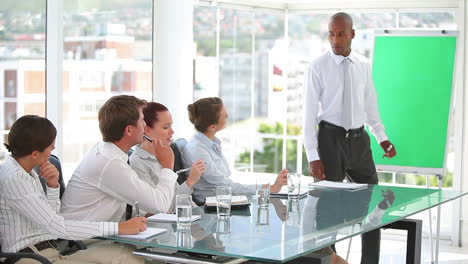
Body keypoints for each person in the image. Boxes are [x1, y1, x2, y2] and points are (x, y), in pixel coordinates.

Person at [303, 12, 397, 264]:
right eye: (331, 34)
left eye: (341, 33)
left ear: (352, 34)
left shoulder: (363, 64)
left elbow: (370, 105)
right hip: (329, 141)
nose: (335, 39)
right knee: (327, 211)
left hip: (359, 141)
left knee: (375, 206)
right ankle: (329, 262)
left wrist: (382, 137)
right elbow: (309, 115)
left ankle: (370, 262)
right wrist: (313, 156)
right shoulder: (317, 66)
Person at [0, 115, 147, 263]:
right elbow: (56, 225)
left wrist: (52, 185)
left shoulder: (28, 171)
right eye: (50, 144)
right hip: (28, 258)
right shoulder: (14, 178)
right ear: (35, 154)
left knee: (128, 253)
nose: (53, 148)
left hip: (51, 252)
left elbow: (51, 218)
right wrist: (118, 228)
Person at [61, 95, 178, 221]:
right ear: (129, 130)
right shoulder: (111, 163)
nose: (145, 126)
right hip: (85, 239)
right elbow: (160, 205)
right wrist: (167, 166)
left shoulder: (108, 153)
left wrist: (144, 214)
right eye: (142, 121)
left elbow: (116, 203)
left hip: (98, 233)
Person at [182, 97, 288, 202]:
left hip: (224, 199)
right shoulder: (198, 150)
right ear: (212, 127)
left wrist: (266, 188)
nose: (228, 115)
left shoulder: (210, 143)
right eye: (224, 116)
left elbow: (226, 178)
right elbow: (225, 186)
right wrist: (268, 188)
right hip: (214, 205)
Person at [129, 102, 206, 213]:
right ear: (147, 130)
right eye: (166, 127)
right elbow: (163, 206)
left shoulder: (161, 155)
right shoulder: (138, 163)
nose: (172, 132)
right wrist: (190, 181)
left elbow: (175, 198)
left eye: (171, 126)